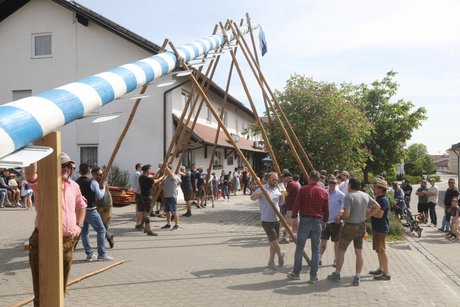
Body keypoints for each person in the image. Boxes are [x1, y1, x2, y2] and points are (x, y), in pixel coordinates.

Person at [25, 152, 87, 306]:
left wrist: (79, 225)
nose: (66, 168)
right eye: (62, 165)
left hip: (67, 242)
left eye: (69, 165)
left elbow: (82, 206)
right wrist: (31, 154)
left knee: (61, 286)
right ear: (54, 167)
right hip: (43, 240)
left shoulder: (74, 185)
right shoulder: (44, 183)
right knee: (42, 286)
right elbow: (31, 175)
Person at [327, 177, 380, 286]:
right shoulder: (365, 195)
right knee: (359, 252)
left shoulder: (349, 196)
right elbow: (377, 206)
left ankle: (337, 274)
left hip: (349, 227)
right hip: (361, 226)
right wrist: (366, 216)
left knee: (341, 250)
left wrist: (340, 218)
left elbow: (346, 214)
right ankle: (357, 277)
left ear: (350, 185)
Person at [287, 171, 328, 284]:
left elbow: (297, 205)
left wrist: (294, 218)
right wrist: (325, 221)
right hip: (317, 221)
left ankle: (296, 273)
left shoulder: (303, 189)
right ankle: (313, 276)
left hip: (305, 220)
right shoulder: (323, 191)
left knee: (300, 247)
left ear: (309, 178)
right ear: (319, 180)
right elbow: (326, 209)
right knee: (315, 249)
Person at [76, 164, 113, 262]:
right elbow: (100, 196)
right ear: (89, 172)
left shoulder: (76, 182)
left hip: (80, 211)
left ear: (79, 172)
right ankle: (102, 254)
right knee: (101, 230)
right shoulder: (92, 182)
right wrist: (104, 187)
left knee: (84, 233)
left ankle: (89, 254)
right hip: (91, 210)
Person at [250, 171, 285, 270]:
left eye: (276, 179)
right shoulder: (262, 187)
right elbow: (252, 197)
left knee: (273, 242)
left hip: (277, 218)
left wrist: (283, 196)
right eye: (274, 180)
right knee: (274, 242)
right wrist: (261, 192)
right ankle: (280, 254)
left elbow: (282, 203)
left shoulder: (279, 188)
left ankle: (271, 261)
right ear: (268, 179)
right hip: (266, 219)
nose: (275, 181)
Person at [369, 179, 391, 280]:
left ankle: (386, 273)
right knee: (379, 250)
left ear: (381, 189)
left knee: (382, 251)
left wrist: (369, 211)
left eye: (375, 187)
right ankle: (381, 269)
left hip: (381, 228)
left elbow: (380, 215)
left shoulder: (383, 200)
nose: (373, 188)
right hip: (377, 228)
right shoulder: (378, 198)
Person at [319, 176, 344, 267]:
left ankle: (335, 260)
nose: (332, 184)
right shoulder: (324, 193)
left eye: (334, 183)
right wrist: (321, 218)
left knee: (336, 242)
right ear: (328, 183)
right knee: (323, 242)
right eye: (330, 183)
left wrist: (340, 217)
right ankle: (319, 258)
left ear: (336, 184)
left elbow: (344, 207)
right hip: (326, 221)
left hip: (336, 222)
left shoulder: (340, 195)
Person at [94, 167, 114, 249]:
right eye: (100, 174)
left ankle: (103, 242)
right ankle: (109, 236)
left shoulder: (104, 180)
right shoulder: (93, 182)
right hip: (98, 205)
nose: (101, 175)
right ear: (95, 175)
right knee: (99, 225)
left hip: (107, 204)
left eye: (102, 174)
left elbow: (103, 183)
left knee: (105, 225)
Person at [138, 164, 160, 236]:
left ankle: (144, 227)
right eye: (150, 169)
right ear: (147, 171)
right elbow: (156, 180)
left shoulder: (141, 177)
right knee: (147, 214)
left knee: (145, 212)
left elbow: (152, 178)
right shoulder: (147, 179)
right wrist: (163, 176)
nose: (151, 171)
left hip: (143, 196)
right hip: (147, 197)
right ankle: (149, 230)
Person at [280, 172, 300, 243]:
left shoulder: (291, 184)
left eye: (283, 177)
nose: (282, 179)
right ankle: (296, 237)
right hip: (294, 206)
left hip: (291, 207)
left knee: (288, 223)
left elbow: (285, 194)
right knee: (295, 223)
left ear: (288, 177)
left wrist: (280, 186)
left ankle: (286, 238)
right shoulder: (293, 183)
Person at [160, 164, 182, 230]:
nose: (166, 170)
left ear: (172, 170)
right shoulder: (166, 177)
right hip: (166, 196)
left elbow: (180, 181)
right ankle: (168, 224)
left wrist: (166, 166)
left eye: (168, 169)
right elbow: (161, 185)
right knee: (167, 211)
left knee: (174, 211)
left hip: (172, 196)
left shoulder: (174, 176)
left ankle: (177, 225)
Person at [133, 163, 143, 229]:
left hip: (136, 190)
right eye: (141, 167)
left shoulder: (135, 173)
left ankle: (137, 216)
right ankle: (138, 219)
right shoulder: (138, 174)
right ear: (138, 167)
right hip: (139, 191)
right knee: (140, 207)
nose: (141, 168)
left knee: (138, 205)